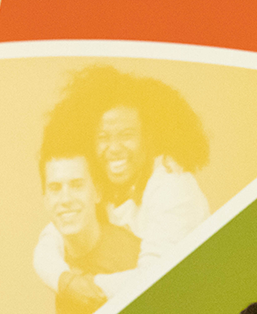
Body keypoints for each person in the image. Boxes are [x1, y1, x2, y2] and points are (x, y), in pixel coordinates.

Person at [43, 64, 211, 275]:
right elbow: (52, 236)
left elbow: (152, 280)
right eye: (103, 137)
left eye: (126, 135)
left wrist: (84, 286)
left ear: (148, 138)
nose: (113, 149)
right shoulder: (105, 188)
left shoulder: (173, 187)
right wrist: (62, 280)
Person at [30, 136, 144, 314]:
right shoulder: (57, 262)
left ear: (97, 192)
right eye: (55, 188)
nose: (65, 199)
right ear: (45, 200)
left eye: (76, 185)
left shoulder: (134, 255)